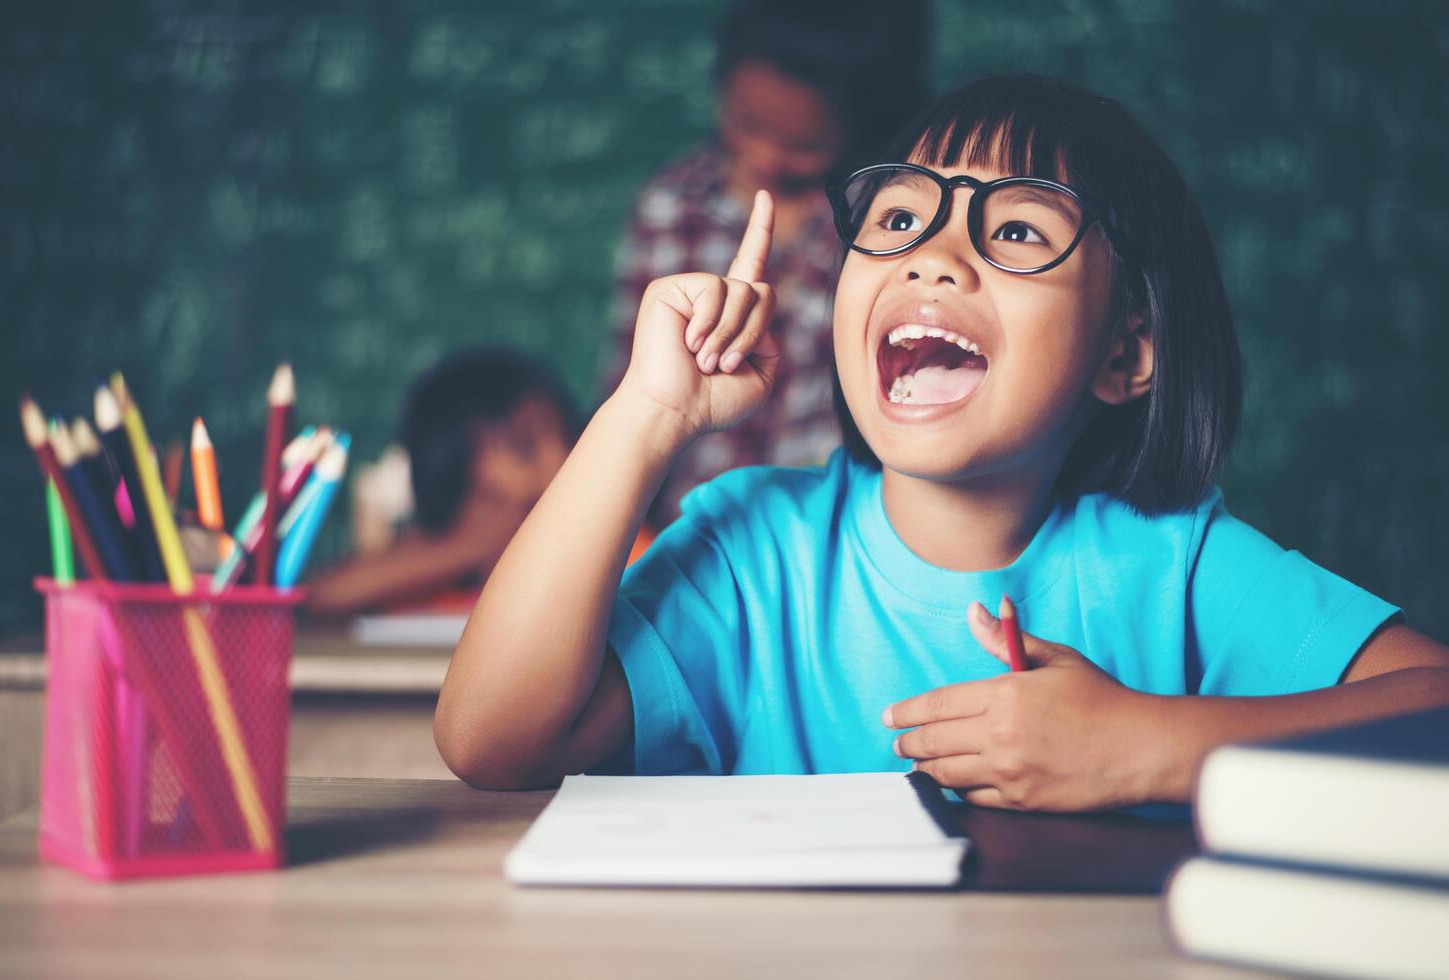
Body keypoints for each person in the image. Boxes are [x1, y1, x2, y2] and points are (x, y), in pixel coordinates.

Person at [435, 75, 1449, 811]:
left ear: (1125, 353)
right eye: (900, 217)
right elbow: (488, 739)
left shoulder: (1173, 561)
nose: (934, 256)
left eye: (1014, 231)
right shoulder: (751, 550)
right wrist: (641, 415)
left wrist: (1149, 745)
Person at [606, 0, 931, 525]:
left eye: (803, 145)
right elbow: (626, 388)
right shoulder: (673, 206)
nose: (764, 158)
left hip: (842, 524)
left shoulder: (890, 217)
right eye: (745, 124)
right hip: (686, 525)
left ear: (864, 124)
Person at [307, 348, 644, 615]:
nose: (563, 459)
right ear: (458, 470)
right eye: (524, 446)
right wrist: (473, 546)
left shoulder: (620, 546)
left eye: (572, 436)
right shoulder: (426, 572)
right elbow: (318, 597)